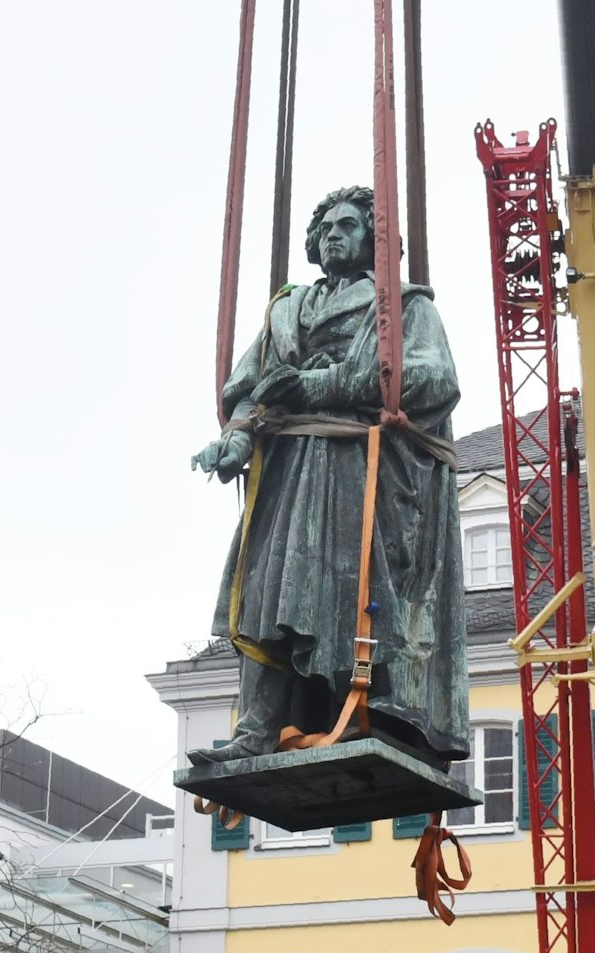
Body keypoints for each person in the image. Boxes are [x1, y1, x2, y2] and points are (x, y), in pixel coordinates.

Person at [190, 184, 468, 770]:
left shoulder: (405, 307)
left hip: (358, 471)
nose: (333, 235)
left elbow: (434, 379)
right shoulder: (287, 310)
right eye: (326, 229)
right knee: (268, 591)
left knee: (348, 594)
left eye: (348, 225)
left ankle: (359, 711)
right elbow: (248, 387)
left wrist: (326, 384)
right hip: (288, 473)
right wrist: (237, 436)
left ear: (374, 239)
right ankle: (257, 727)